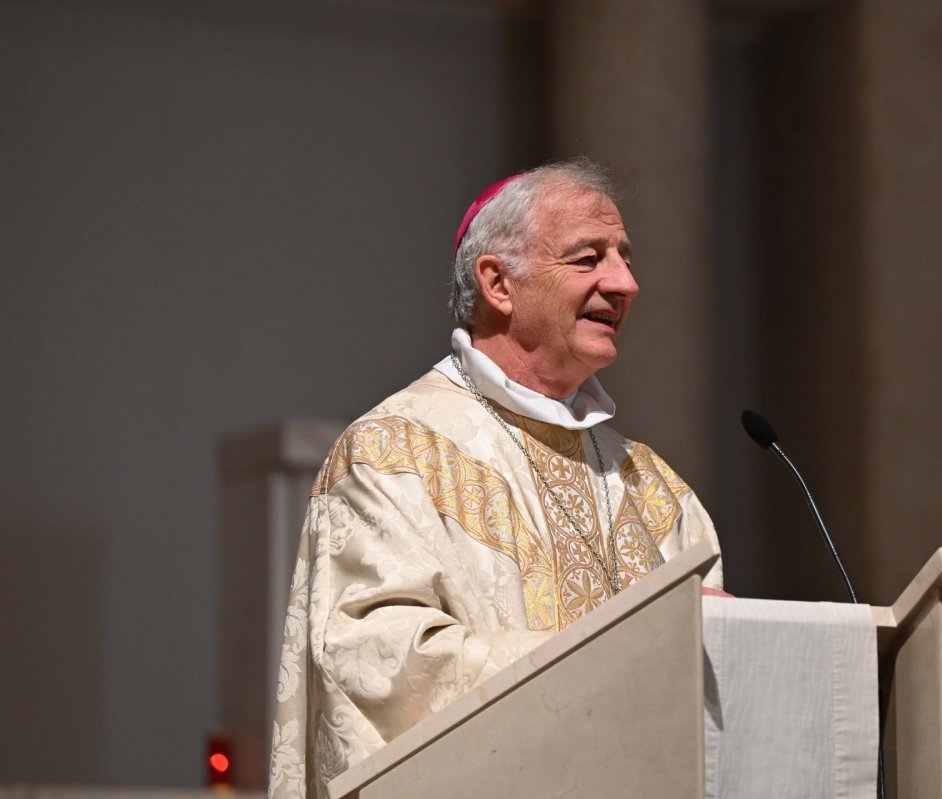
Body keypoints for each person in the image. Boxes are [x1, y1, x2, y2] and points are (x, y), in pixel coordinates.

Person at [267, 159, 724, 799]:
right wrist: (632, 649)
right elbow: (378, 668)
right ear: (498, 284)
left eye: (623, 257)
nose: (625, 282)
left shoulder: (655, 489)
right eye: (589, 257)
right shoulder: (395, 452)